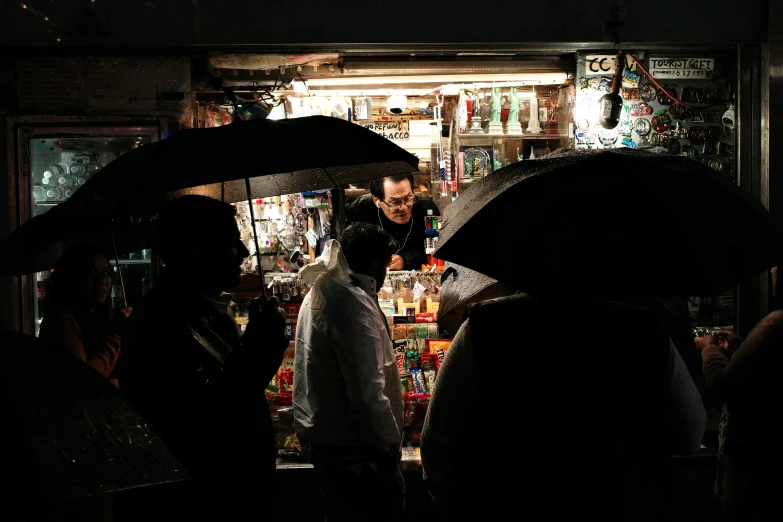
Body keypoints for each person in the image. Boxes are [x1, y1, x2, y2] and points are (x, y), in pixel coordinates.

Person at [421, 292, 706, 522]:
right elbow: (690, 434)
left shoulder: (487, 323)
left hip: (508, 502)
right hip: (620, 501)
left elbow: (439, 441)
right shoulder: (645, 329)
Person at [119, 195, 289, 521]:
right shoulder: (163, 323)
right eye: (232, 241)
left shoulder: (198, 313)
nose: (243, 253)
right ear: (198, 247)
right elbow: (210, 418)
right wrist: (260, 345)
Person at [293, 222, 405, 522]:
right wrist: (389, 453)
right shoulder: (349, 301)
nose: (385, 275)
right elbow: (367, 395)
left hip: (334, 450)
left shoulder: (325, 288)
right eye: (384, 266)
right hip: (358, 461)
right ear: (373, 264)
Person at [693, 264, 783, 521]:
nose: (773, 270)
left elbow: (725, 384)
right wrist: (742, 349)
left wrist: (708, 348)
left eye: (777, 266)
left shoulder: (776, 323)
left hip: (757, 480)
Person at [39, 245, 133, 388]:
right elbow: (85, 381)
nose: (102, 281)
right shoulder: (61, 322)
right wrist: (116, 335)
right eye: (92, 272)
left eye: (106, 273)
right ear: (72, 277)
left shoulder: (97, 318)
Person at [345, 172, 439, 271]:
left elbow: (437, 251)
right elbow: (351, 253)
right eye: (395, 202)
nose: (403, 208)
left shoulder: (427, 209)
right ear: (376, 200)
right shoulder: (360, 209)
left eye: (408, 198)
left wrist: (406, 259)